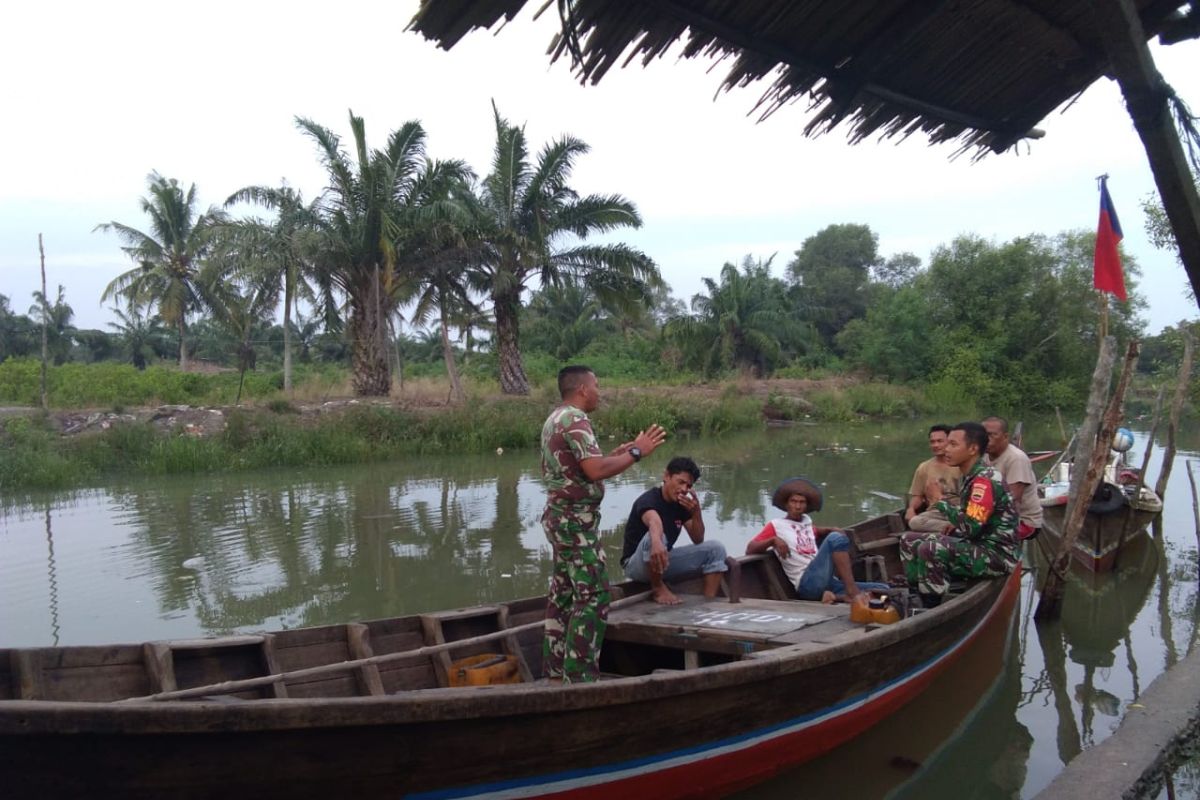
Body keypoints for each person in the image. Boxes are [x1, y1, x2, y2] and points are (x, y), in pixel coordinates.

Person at [540, 365, 666, 684]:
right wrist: (638, 452)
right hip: (575, 523)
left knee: (565, 594)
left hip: (560, 519)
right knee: (594, 595)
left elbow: (581, 468)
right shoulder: (576, 419)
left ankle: (555, 673)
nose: (600, 390)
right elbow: (595, 471)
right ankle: (580, 680)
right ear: (582, 389)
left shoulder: (556, 418)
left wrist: (618, 455)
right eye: (597, 385)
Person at [899, 422, 1019, 605]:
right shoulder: (970, 475)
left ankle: (932, 608)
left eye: (953, 445)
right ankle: (917, 595)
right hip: (977, 543)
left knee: (931, 548)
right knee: (908, 539)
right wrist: (954, 524)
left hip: (997, 555)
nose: (946, 449)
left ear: (972, 449)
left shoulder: (983, 481)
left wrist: (939, 501)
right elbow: (972, 518)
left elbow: (971, 528)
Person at [746, 476, 890, 603]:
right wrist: (773, 540)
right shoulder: (776, 525)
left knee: (883, 589)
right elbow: (750, 548)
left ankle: (835, 597)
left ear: (806, 506)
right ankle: (852, 593)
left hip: (828, 583)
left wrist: (830, 528)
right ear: (786, 504)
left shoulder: (807, 523)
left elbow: (816, 530)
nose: (797, 506)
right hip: (808, 584)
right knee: (836, 539)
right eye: (793, 501)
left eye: (802, 502)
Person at [621, 457, 727, 605]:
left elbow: (698, 538)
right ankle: (658, 588)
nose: (684, 489)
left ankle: (708, 603)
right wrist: (657, 541)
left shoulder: (681, 504)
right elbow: (654, 521)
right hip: (636, 566)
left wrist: (696, 513)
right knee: (656, 536)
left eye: (688, 485)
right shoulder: (649, 500)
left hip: (662, 562)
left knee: (716, 549)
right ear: (666, 476)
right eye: (681, 482)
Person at [982, 416, 1043, 540]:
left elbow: (1012, 499)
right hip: (995, 516)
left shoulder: (1016, 458)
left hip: (1023, 521)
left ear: (1005, 437)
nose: (987, 440)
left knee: (976, 536)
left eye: (992, 435)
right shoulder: (985, 456)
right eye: (983, 435)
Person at [904, 424, 961, 532]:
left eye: (940, 441)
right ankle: (953, 528)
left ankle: (959, 527)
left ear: (950, 442)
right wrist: (910, 509)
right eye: (932, 442)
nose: (935, 445)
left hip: (959, 511)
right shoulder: (924, 467)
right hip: (936, 513)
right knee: (915, 522)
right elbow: (918, 496)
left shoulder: (961, 465)